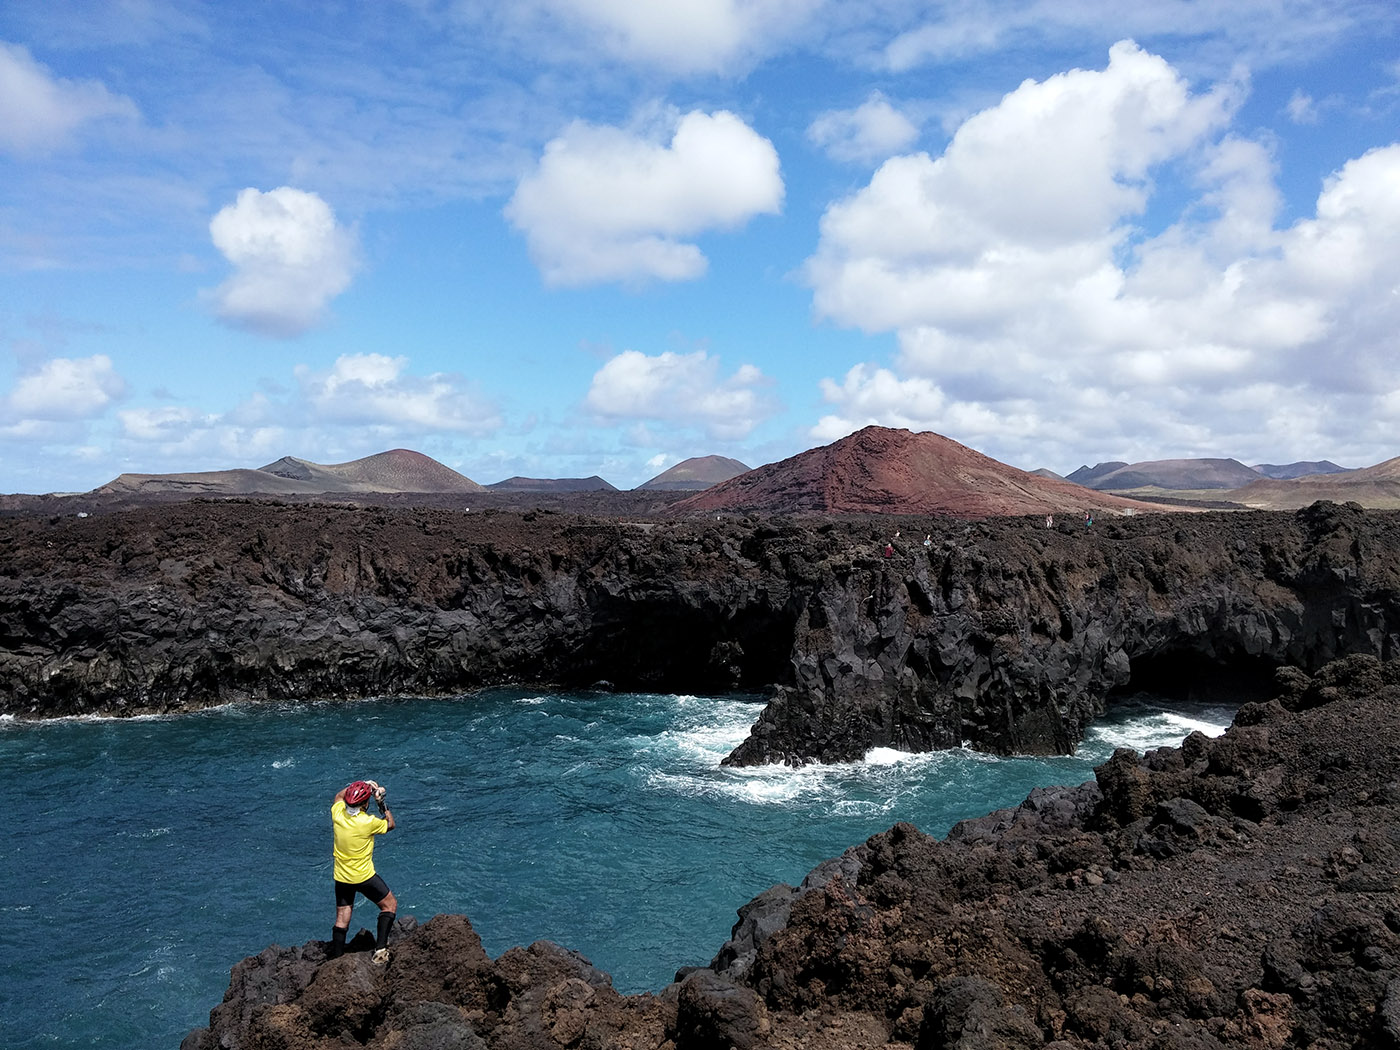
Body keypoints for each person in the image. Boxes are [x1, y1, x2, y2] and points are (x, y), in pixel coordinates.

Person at [328, 778, 397, 963]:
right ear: (365, 803)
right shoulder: (368, 822)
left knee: (342, 918)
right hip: (364, 877)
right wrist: (381, 802)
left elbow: (338, 796)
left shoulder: (338, 815)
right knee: (389, 905)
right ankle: (380, 951)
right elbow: (390, 824)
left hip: (342, 876)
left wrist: (359, 784)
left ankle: (337, 959)